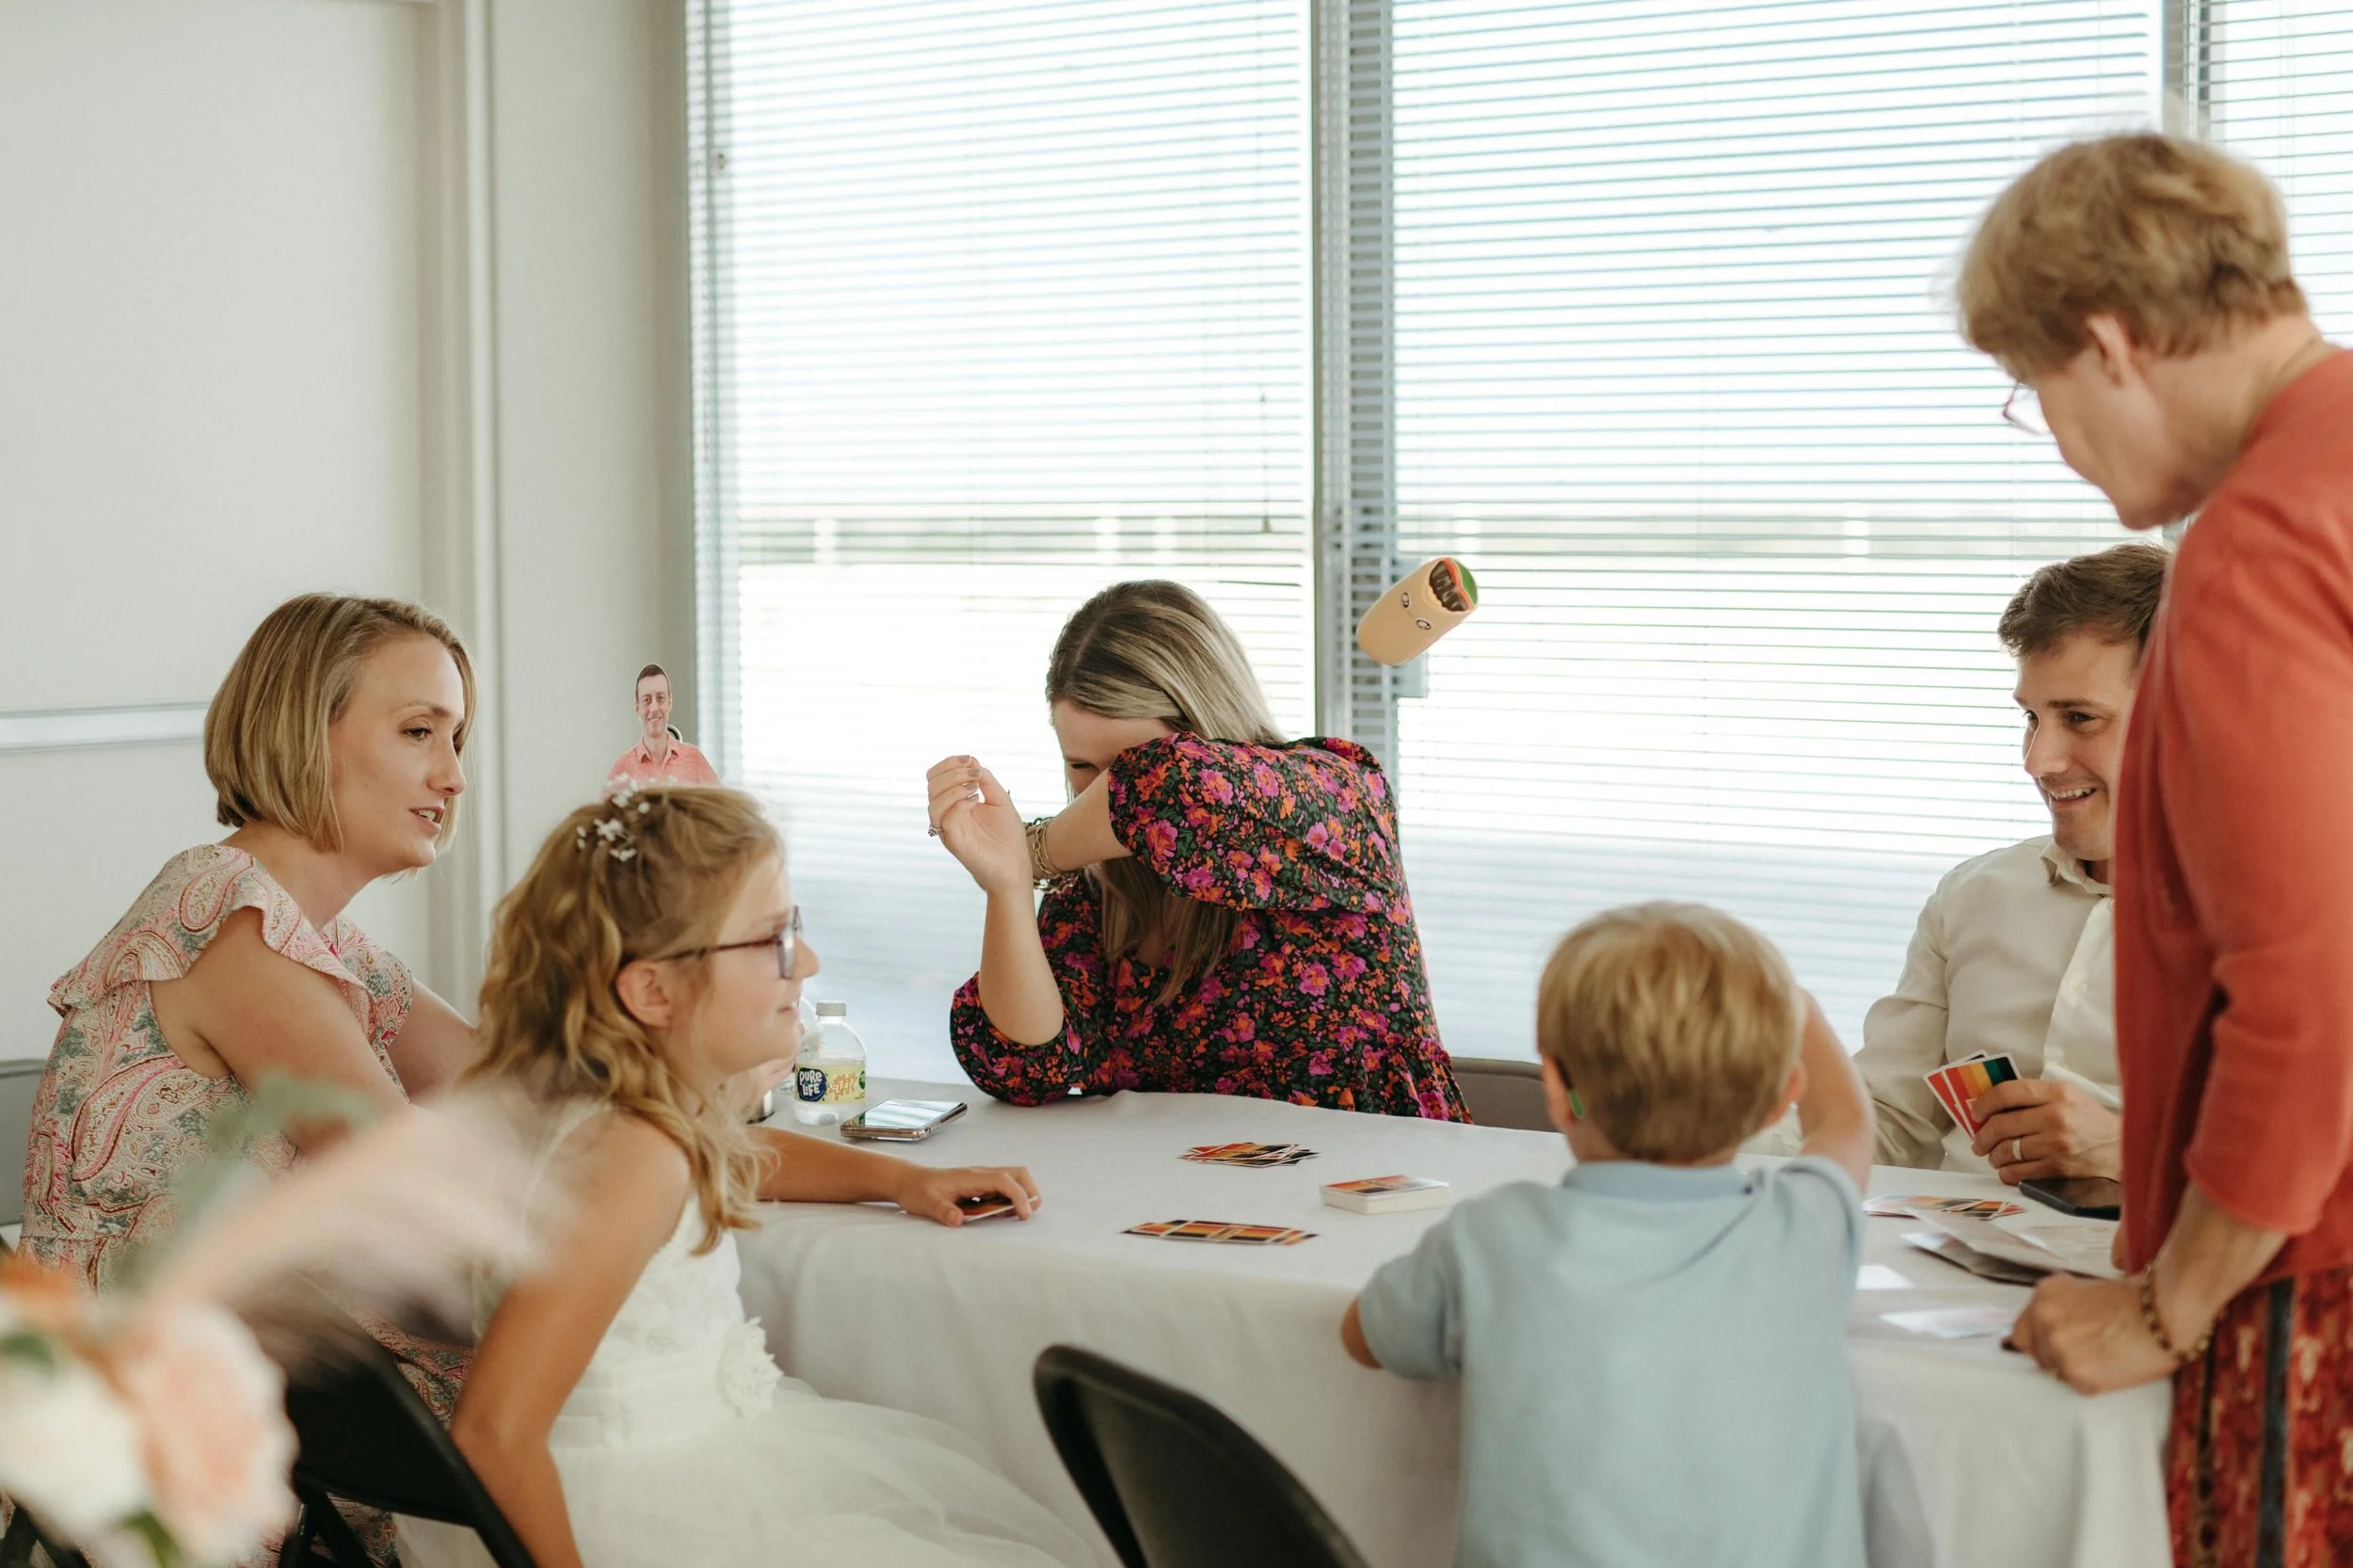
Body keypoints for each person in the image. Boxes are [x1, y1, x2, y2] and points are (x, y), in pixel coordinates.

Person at [1959, 135, 2353, 1563]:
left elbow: (2310, 1003)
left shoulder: (2257, 546)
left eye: (2036, 391)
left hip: (2314, 1283)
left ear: (2111, 346)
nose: (2053, 437)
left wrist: (2163, 1304)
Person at [396, 785, 1091, 1568]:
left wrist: (897, 1179)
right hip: (638, 1514)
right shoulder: (637, 1153)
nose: (812, 962)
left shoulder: (609, 1113)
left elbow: (732, 1156)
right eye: (776, 939)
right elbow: (493, 1429)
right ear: (654, 990)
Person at [21, 593, 479, 1414]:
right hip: (155, 1455)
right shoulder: (228, 922)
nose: (454, 774)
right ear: (306, 729)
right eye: (419, 731)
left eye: (456, 738)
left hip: (254, 1404)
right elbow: (419, 1193)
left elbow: (519, 1093)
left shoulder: (319, 939)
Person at [1341, 904, 1875, 1568]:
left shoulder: (1490, 1238)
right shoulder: (1805, 1228)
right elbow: (1848, 1123)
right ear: (1778, 1100)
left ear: (1559, 1091)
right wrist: (1799, 1007)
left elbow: (1364, 1338)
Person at [925, 580, 1465, 1120]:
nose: (1097, 794)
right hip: (1183, 1190)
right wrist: (1009, 886)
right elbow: (1025, 1068)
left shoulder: (1338, 801)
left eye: (1121, 765)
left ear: (1204, 729)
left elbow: (1165, 787)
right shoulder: (1096, 889)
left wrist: (1036, 849)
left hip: (1376, 1178)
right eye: (1080, 764)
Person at [1855, 543, 2166, 1179]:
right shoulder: (1972, 896)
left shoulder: (2296, 926)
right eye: (2031, 717)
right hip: (1941, 1264)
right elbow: (1885, 1124)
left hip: (2145, 1273)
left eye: (2080, 718)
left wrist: (2127, 1153)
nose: (2038, 761)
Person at [608, 664, 719, 788]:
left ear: (670, 702)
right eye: (647, 700)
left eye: (660, 698)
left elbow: (723, 805)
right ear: (637, 707)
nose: (654, 708)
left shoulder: (694, 759)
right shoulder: (622, 769)